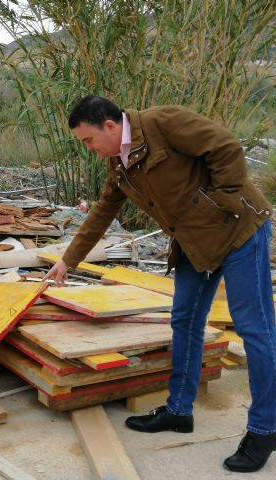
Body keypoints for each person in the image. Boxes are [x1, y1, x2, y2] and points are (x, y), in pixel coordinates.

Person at [44, 95, 276, 472]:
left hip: (238, 233)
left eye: (88, 140)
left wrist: (221, 201)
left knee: (255, 329)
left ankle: (265, 429)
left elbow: (226, 147)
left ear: (110, 125)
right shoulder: (117, 163)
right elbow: (104, 209)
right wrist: (68, 261)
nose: (88, 149)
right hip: (194, 244)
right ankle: (179, 410)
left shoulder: (163, 123)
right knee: (184, 319)